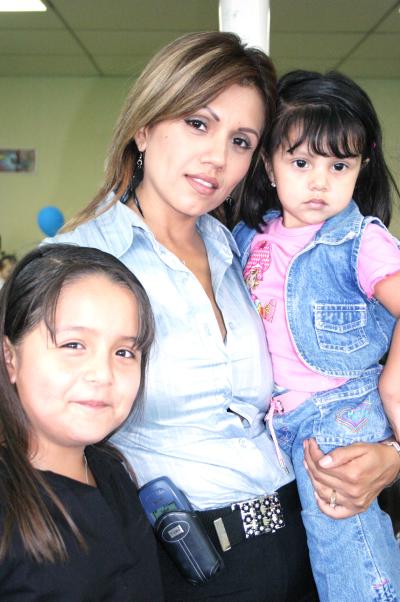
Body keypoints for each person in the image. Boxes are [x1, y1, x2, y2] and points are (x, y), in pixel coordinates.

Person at [45, 33, 400, 601]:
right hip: (189, 564)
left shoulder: (247, 249)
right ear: (144, 125)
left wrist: (391, 456)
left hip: (308, 539)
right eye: (197, 124)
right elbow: (39, 449)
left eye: (240, 140)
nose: (217, 158)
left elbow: (338, 380)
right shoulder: (78, 265)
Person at [234, 70, 400, 601]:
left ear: (361, 167)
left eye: (339, 165)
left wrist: (393, 381)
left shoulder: (360, 241)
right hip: (277, 420)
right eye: (300, 162)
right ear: (268, 163)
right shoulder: (248, 237)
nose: (319, 181)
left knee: (346, 551)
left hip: (338, 413)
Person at [0, 244, 163, 601]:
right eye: (74, 345)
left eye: (124, 352)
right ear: (9, 357)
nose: (103, 374)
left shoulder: (112, 471)